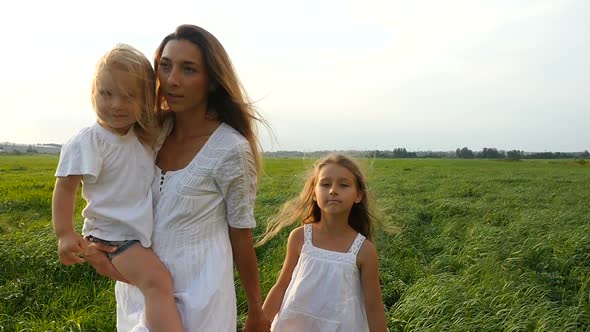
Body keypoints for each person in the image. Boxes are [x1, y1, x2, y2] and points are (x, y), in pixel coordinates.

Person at [84, 25, 270, 331]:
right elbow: (106, 190)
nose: (172, 80)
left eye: (188, 69)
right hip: (140, 292)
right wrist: (94, 243)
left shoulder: (230, 149)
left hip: (201, 299)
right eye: (165, 66)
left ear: (211, 81)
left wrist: (255, 309)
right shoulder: (146, 133)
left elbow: (241, 234)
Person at [51, 44, 184, 332]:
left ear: (146, 100)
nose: (116, 105)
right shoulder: (90, 140)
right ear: (93, 93)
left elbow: (172, 119)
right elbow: (66, 187)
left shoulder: (142, 136)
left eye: (129, 96)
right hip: (112, 236)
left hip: (133, 235)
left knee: (148, 288)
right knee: (158, 282)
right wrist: (64, 234)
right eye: (106, 93)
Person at [259, 154, 388, 332]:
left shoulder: (364, 250)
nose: (333, 190)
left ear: (358, 195)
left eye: (343, 185)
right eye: (325, 184)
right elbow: (281, 285)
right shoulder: (300, 238)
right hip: (295, 325)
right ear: (313, 192)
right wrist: (260, 322)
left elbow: (373, 306)